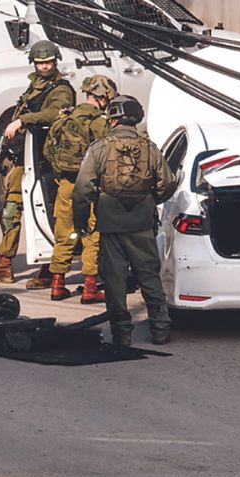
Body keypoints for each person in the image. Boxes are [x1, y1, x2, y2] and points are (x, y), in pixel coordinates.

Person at [72, 95, 177, 346]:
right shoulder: (150, 148)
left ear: (113, 120)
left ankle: (122, 334)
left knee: (115, 281)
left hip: (110, 225)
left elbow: (82, 190)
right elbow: (168, 183)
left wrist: (81, 222)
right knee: (149, 277)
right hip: (141, 224)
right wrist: (150, 199)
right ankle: (160, 330)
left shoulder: (99, 148)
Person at [0, 39, 75, 285]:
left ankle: (50, 268)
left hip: (44, 163)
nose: (44, 67)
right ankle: (5, 263)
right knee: (11, 211)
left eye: (48, 62)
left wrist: (23, 120)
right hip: (23, 160)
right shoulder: (34, 87)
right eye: (40, 63)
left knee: (46, 214)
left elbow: (56, 113)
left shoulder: (60, 89)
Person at [43, 74, 116, 303]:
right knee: (91, 235)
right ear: (103, 97)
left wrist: (61, 173)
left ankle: (57, 284)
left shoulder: (64, 119)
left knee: (64, 233)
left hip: (65, 184)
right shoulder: (100, 123)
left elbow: (48, 151)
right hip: (91, 186)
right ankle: (89, 288)